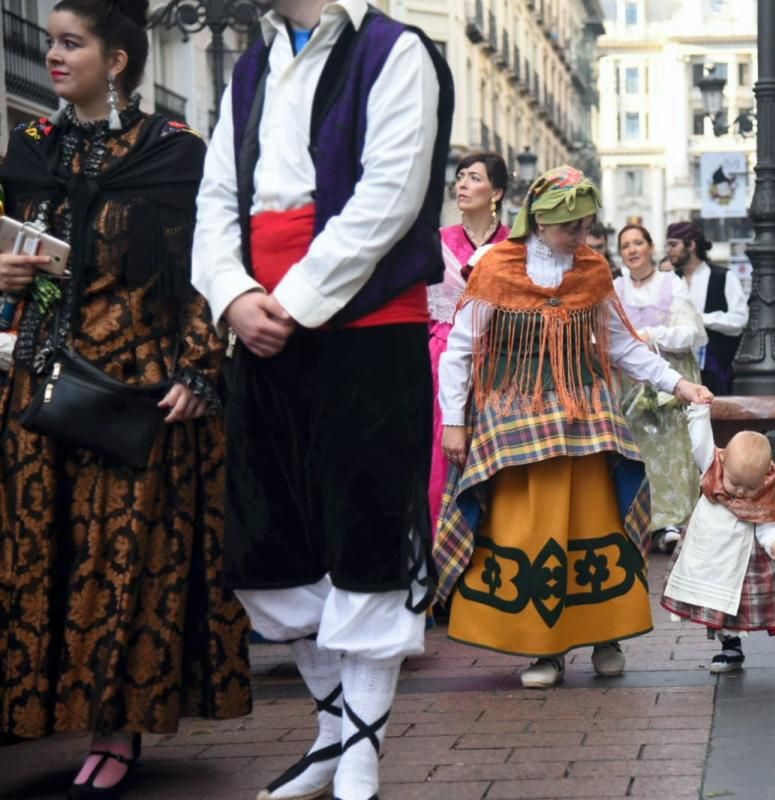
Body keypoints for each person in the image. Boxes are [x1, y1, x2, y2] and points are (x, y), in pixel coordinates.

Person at [190, 0, 453, 796]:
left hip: (367, 325)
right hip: (266, 324)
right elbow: (217, 199)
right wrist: (235, 294)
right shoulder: (250, 65)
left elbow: (391, 194)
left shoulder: (396, 49)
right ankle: (336, 733)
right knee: (266, 541)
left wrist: (293, 301)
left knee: (367, 531)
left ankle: (360, 758)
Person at [0, 0, 252, 795]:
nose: (53, 56)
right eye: (50, 42)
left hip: (134, 388)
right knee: (37, 557)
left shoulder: (175, 155)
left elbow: (205, 272)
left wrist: (199, 370)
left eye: (72, 43)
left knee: (124, 563)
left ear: (117, 61)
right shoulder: (28, 148)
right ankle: (36, 715)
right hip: (35, 379)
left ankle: (118, 731)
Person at [435, 167, 713, 690]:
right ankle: (546, 647)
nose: (582, 238)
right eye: (572, 228)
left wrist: (680, 385)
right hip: (512, 410)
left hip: (584, 409)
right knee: (529, 528)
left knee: (595, 522)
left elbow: (624, 345)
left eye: (586, 227)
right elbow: (460, 350)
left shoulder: (591, 269)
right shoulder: (494, 268)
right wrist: (454, 422)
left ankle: (607, 635)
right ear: (540, 221)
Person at [662, 404, 775, 674]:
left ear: (764, 479)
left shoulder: (763, 496)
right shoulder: (712, 469)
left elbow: (767, 523)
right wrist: (699, 412)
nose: (741, 492)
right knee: (718, 605)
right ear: (723, 464)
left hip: (753, 562)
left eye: (750, 487)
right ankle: (730, 647)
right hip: (715, 557)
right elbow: (700, 442)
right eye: (736, 483)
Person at [614, 223, 707, 554]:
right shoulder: (614, 288)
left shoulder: (672, 284)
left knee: (673, 449)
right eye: (625, 245)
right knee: (640, 449)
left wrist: (653, 335)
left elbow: (691, 331)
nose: (632, 249)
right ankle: (641, 520)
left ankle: (673, 521)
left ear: (650, 247)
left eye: (638, 242)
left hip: (670, 375)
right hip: (631, 382)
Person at [429, 151, 509, 539]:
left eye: (473, 177)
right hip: (441, 360)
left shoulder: (515, 245)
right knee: (442, 457)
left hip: (503, 363)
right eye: (459, 176)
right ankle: (441, 542)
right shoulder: (437, 242)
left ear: (496, 191)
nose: (461, 183)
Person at [665, 221, 748, 395]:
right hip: (676, 375)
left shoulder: (724, 277)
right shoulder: (668, 281)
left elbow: (739, 320)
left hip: (716, 373)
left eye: (673, 244)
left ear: (691, 245)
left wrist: (700, 319)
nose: (668, 250)